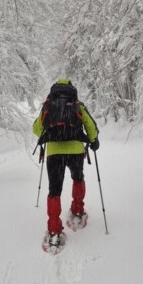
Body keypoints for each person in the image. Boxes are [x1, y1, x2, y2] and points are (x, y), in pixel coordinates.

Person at [32, 78, 99, 250]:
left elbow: (36, 130)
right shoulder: (77, 105)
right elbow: (90, 126)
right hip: (75, 151)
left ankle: (54, 230)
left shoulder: (48, 105)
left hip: (54, 153)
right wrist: (93, 140)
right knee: (78, 178)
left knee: (54, 190)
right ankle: (77, 211)